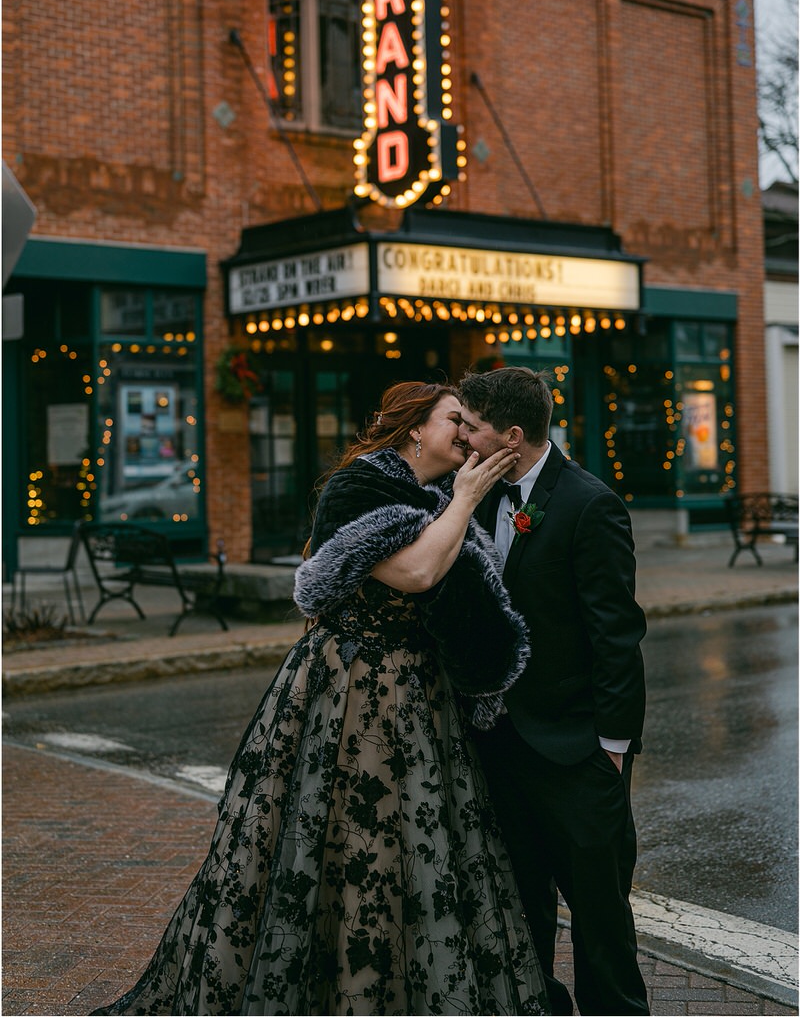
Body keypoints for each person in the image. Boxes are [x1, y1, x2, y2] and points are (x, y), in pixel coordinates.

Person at [91, 380, 550, 1017]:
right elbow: (416, 573)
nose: (469, 437)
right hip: (352, 692)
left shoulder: (444, 495)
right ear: (416, 428)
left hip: (424, 697)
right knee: (343, 845)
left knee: (423, 850)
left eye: (473, 426)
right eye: (457, 422)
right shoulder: (361, 487)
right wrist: (467, 501)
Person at [457, 366, 649, 1017]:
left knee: (600, 924)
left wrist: (613, 749)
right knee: (519, 912)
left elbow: (616, 634)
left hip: (577, 753)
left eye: (473, 428)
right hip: (502, 746)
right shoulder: (476, 496)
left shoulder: (590, 504)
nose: (463, 438)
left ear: (513, 436)